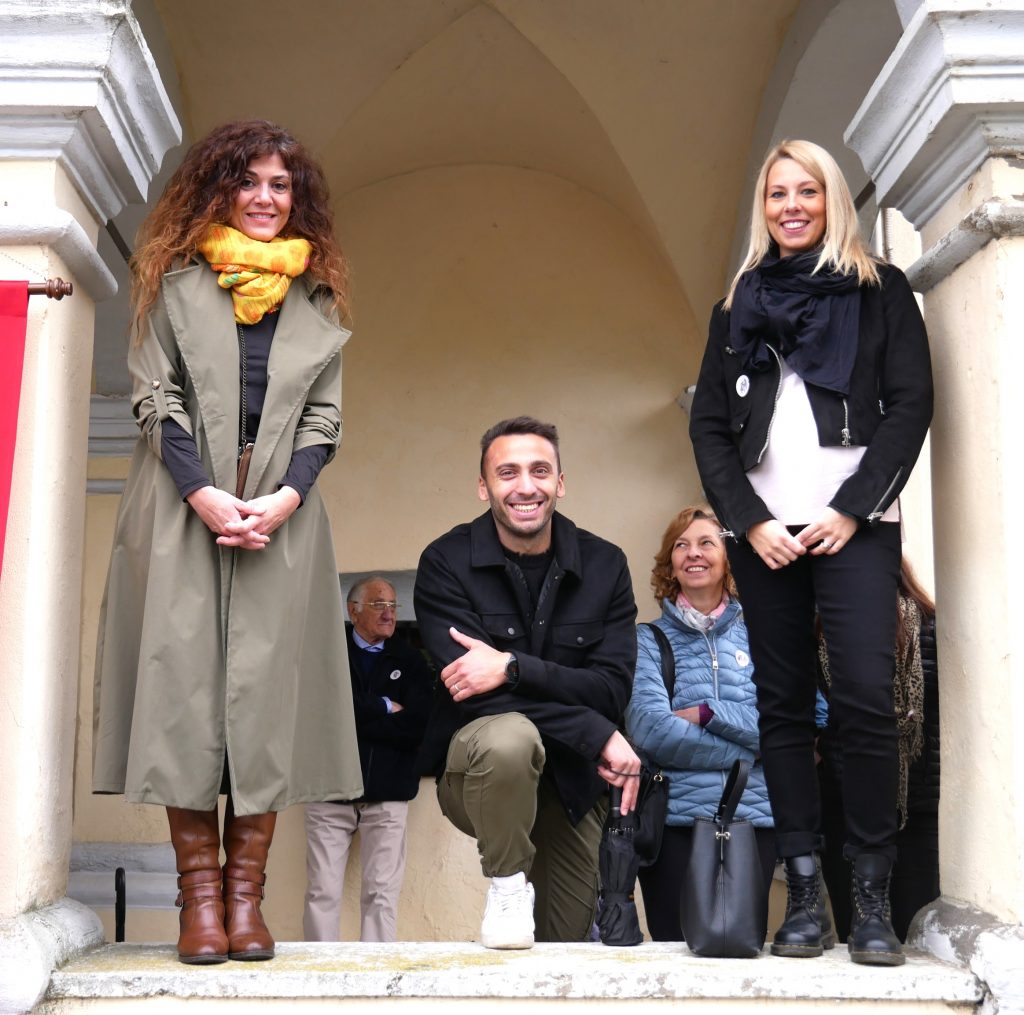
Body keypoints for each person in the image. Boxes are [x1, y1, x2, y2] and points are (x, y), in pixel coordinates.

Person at [92, 120, 362, 964]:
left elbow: (325, 418)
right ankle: (200, 902)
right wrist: (205, 494)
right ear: (219, 189)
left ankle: (246, 900)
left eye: (281, 185)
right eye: (249, 181)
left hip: (282, 518)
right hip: (181, 509)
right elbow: (154, 399)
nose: (265, 198)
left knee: (266, 700)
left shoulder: (317, 299)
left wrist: (283, 499)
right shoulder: (171, 283)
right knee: (184, 697)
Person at [688, 139, 933, 966]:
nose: (791, 206)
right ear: (763, 209)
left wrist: (851, 509)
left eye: (807, 191)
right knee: (783, 707)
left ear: (832, 200)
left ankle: (871, 900)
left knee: (864, 698)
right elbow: (709, 427)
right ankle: (804, 897)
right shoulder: (737, 304)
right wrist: (748, 520)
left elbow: (910, 405)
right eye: (776, 194)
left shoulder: (879, 290)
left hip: (855, 526)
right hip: (766, 534)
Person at [413, 416, 641, 949]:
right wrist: (596, 731)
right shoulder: (446, 562)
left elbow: (611, 689)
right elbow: (475, 697)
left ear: (560, 482)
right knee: (509, 734)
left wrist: (512, 667)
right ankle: (508, 886)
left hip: (572, 780)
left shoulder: (606, 564)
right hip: (480, 772)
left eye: (539, 471)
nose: (525, 486)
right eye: (507, 472)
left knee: (566, 947)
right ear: (484, 486)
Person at [625, 506, 774, 942]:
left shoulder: (765, 635)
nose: (694, 553)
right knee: (674, 952)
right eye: (681, 545)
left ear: (728, 558)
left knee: (740, 953)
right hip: (674, 825)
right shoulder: (646, 640)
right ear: (670, 563)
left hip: (754, 821)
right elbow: (652, 731)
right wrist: (753, 750)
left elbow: (794, 722)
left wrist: (709, 713)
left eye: (707, 543)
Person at [818, 557, 940, 943]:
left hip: (916, 809)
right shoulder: (820, 631)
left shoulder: (931, 627)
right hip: (846, 807)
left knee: (914, 931)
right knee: (857, 932)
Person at [303, 577, 432, 942]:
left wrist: (355, 719)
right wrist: (384, 707)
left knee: (381, 894)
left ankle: (377, 972)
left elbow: (417, 726)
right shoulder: (328, 654)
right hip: (329, 791)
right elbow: (320, 712)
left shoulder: (411, 660)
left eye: (392, 605)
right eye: (378, 605)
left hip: (389, 795)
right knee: (321, 893)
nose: (389, 613)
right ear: (353, 611)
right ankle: (319, 971)